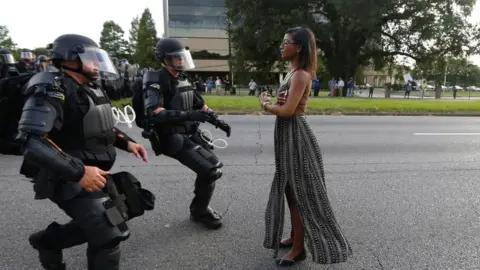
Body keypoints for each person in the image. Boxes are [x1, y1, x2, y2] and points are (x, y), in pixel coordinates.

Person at [17, 34, 149, 270]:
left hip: (89, 171)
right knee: (111, 233)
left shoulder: (88, 87)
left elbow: (99, 124)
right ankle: (48, 243)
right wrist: (79, 173)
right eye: (91, 59)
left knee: (117, 214)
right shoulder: (50, 86)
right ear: (71, 59)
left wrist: (128, 142)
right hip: (63, 174)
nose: (97, 64)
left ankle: (48, 242)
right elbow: (32, 139)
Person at [259, 27, 352, 266]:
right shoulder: (291, 73)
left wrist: (266, 105)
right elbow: (288, 104)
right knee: (290, 190)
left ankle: (299, 249)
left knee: (300, 193)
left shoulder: (300, 75)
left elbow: (288, 111)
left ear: (298, 47)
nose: (281, 46)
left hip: (296, 136)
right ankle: (294, 236)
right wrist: (278, 102)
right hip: (287, 134)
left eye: (286, 42)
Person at [139, 38, 231, 230]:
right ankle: (200, 211)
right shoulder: (155, 79)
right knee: (210, 170)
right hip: (171, 137)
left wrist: (217, 120)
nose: (181, 62)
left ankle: (199, 208)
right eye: (176, 58)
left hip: (190, 132)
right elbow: (153, 112)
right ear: (163, 59)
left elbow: (200, 104)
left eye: (182, 58)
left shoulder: (183, 79)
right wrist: (189, 115)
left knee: (212, 170)